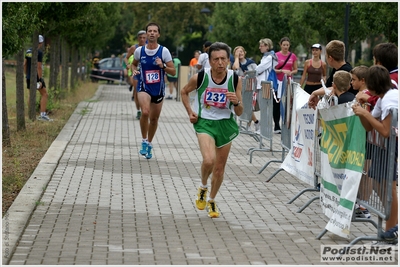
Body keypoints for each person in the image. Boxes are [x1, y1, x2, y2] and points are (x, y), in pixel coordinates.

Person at [180, 42, 243, 218]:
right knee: (208, 160)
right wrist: (190, 112)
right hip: (205, 122)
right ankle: (203, 187)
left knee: (219, 169)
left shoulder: (235, 79)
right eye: (216, 59)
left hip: (225, 124)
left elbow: (240, 111)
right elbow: (184, 92)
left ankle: (212, 201)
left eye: (224, 59)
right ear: (210, 61)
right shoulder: (201, 77)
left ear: (229, 61)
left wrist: (236, 101)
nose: (220, 63)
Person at [352, 65, 398, 245]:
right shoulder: (381, 98)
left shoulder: (390, 99)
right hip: (386, 147)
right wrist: (362, 112)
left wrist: (365, 113)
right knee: (379, 184)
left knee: (388, 189)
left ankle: (391, 229)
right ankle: (390, 228)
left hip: (391, 146)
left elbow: (385, 131)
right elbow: (369, 126)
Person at [131, 22, 175, 159]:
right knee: (145, 112)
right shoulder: (139, 51)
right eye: (149, 31)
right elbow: (133, 64)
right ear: (146, 34)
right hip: (144, 86)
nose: (151, 33)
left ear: (158, 34)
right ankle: (144, 141)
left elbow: (173, 71)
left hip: (158, 89)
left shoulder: (164, 51)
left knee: (154, 119)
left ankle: (149, 143)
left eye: (154, 31)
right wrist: (134, 71)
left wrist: (162, 66)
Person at [308, 40, 356, 109]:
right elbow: (327, 87)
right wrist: (317, 94)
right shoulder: (335, 69)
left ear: (330, 58)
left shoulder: (346, 70)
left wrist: (314, 93)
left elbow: (335, 87)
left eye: (326, 56)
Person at [356, 43, 398, 108]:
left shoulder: (390, 81)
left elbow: (387, 102)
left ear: (379, 63)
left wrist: (368, 98)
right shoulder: (393, 75)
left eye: (374, 59)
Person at [24, 35, 52, 121]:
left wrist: (27, 74)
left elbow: (24, 64)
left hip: (28, 77)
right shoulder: (38, 52)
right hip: (36, 77)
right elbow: (38, 67)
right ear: (40, 43)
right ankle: (42, 114)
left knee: (31, 94)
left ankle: (31, 113)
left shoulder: (28, 51)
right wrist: (40, 79)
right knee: (44, 94)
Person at [231, 45, 259, 131]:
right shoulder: (235, 63)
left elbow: (257, 72)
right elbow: (235, 69)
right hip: (240, 88)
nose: (240, 53)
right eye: (237, 52)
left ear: (245, 52)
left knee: (248, 106)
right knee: (244, 106)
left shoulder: (251, 63)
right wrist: (236, 58)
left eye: (241, 51)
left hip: (250, 88)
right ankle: (254, 123)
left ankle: (252, 123)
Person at [273, 37, 298, 134]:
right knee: (277, 103)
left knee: (288, 103)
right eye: (284, 45)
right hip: (278, 82)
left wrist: (291, 72)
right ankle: (276, 125)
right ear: (280, 45)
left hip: (288, 81)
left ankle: (287, 124)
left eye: (287, 45)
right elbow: (273, 69)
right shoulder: (276, 55)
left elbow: (295, 69)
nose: (286, 47)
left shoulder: (293, 56)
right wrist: (281, 71)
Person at [255, 38, 278, 132]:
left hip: (265, 85)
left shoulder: (269, 57)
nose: (260, 47)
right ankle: (264, 127)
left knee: (265, 106)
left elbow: (260, 68)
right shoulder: (265, 57)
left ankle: (265, 128)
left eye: (262, 45)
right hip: (262, 84)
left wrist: (254, 70)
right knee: (263, 106)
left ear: (267, 47)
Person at [125, 30, 147, 119]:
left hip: (146, 73)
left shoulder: (150, 47)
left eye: (144, 38)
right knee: (137, 91)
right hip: (136, 72)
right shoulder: (134, 48)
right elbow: (126, 58)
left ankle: (145, 109)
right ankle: (138, 111)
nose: (142, 39)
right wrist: (128, 64)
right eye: (140, 38)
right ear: (138, 38)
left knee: (146, 92)